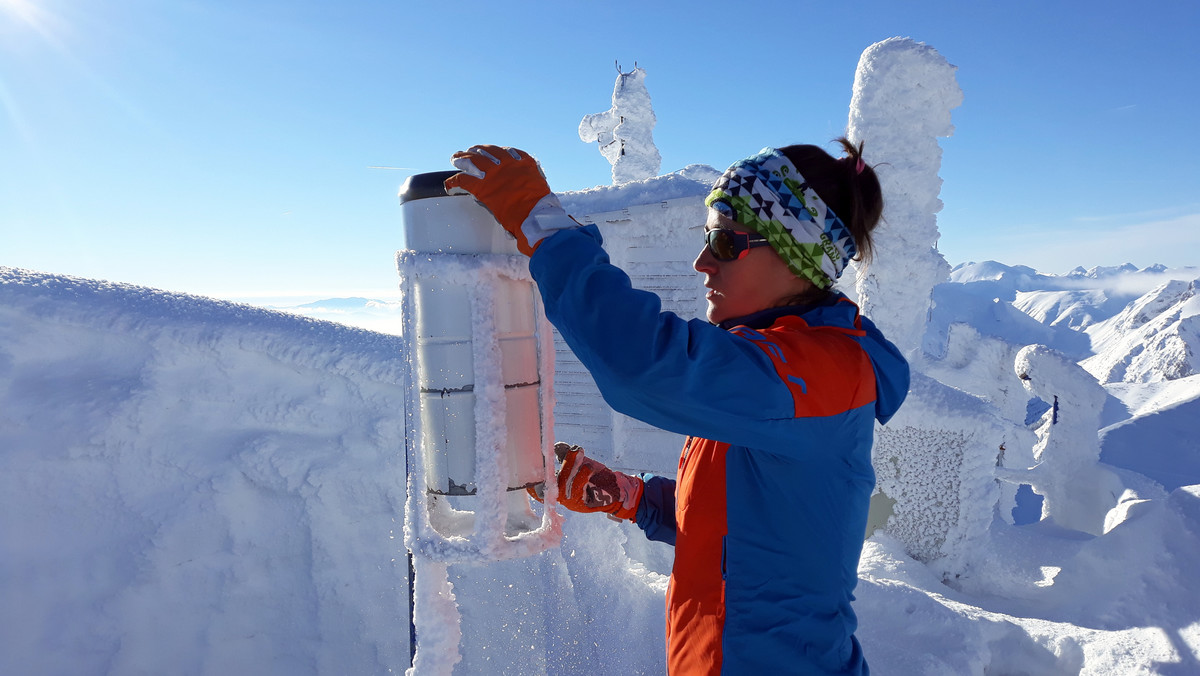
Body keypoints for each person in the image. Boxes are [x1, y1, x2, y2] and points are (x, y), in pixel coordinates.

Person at [444, 140, 909, 676]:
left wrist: (546, 229)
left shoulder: (822, 372)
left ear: (794, 254)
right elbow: (744, 527)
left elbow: (643, 364)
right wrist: (630, 496)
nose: (702, 261)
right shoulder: (768, 374)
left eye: (724, 242)